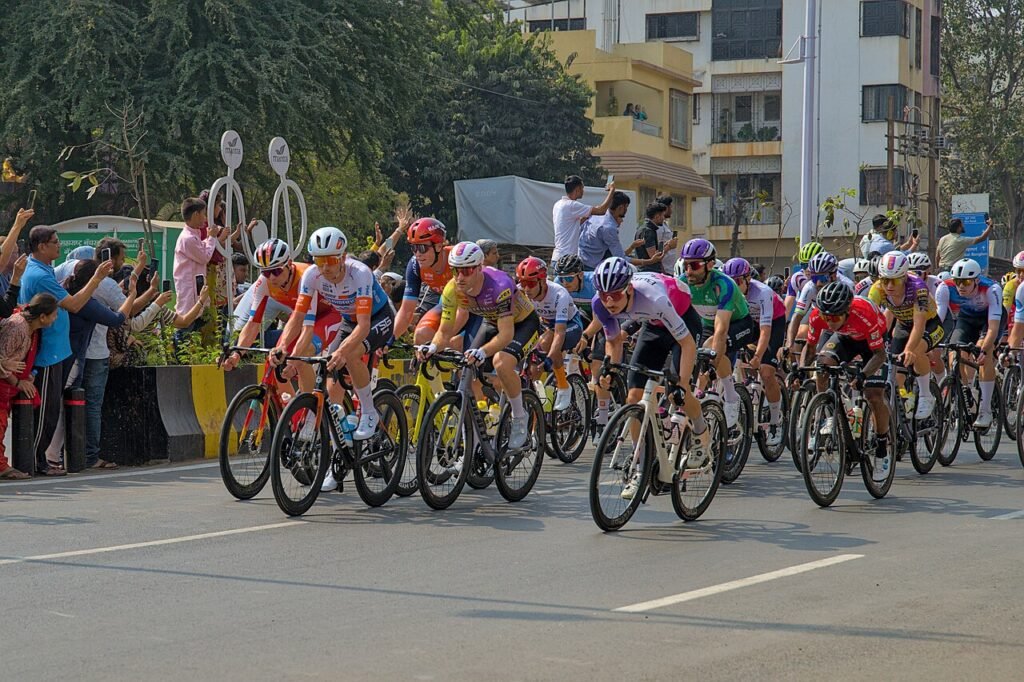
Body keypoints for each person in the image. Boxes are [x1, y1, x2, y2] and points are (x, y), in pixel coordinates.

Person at [588, 257, 708, 499]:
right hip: (653, 327)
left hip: (683, 321)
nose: (609, 302)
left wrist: (681, 384)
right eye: (604, 295)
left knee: (679, 396)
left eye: (616, 296)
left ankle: (700, 432)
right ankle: (641, 467)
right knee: (633, 399)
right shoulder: (600, 304)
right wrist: (609, 367)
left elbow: (686, 344)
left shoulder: (655, 299)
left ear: (629, 289)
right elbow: (613, 341)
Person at [271, 227, 393, 458]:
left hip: (378, 317)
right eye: (319, 260)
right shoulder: (312, 275)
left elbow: (364, 325)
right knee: (329, 372)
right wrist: (283, 347)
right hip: (348, 320)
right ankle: (338, 451)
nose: (325, 267)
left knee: (351, 354)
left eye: (330, 260)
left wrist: (343, 351)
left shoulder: (360, 273)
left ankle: (368, 411)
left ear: (343, 257)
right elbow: (298, 317)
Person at [418, 242, 539, 450]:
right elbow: (445, 331)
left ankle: (520, 416)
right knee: (467, 367)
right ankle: (473, 444)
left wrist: (483, 351)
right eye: (456, 270)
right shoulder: (452, 289)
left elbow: (506, 334)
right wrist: (432, 347)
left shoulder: (499, 285)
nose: (460, 277)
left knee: (502, 362)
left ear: (478, 267)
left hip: (522, 324)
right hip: (490, 321)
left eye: (466, 270)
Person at [19, 226, 113, 476]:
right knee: (46, 410)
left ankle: (41, 458)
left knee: (52, 409)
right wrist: (97, 278)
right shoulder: (39, 274)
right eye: (55, 242)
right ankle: (37, 460)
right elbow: (73, 304)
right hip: (47, 351)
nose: (59, 246)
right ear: (41, 246)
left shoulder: (44, 269)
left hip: (58, 349)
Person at [223, 238, 340, 395]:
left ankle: (310, 414)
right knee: (275, 361)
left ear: (289, 264)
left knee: (300, 358)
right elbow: (253, 324)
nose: (271, 277)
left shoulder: (305, 278)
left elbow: (307, 326)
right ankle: (291, 413)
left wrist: (293, 356)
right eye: (265, 272)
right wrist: (237, 354)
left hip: (329, 315)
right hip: (301, 318)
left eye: (276, 271)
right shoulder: (264, 283)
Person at [803, 281, 892, 482]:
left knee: (873, 395)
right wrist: (801, 371)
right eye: (827, 317)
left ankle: (881, 448)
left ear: (847, 310)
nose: (830, 321)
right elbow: (810, 349)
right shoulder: (819, 316)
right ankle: (827, 412)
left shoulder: (864, 314)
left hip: (872, 345)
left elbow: (879, 355)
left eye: (835, 317)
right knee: (823, 366)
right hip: (845, 338)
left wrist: (862, 376)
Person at [676, 239, 753, 428]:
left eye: (694, 265)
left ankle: (731, 396)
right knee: (697, 359)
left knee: (712, 349)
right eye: (686, 265)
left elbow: (721, 330)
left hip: (738, 323)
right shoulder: (683, 282)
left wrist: (713, 361)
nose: (688, 271)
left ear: (710, 264)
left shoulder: (723, 284)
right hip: (708, 324)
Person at [868, 252, 942, 420]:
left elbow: (919, 324)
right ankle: (904, 401)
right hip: (902, 323)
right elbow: (871, 319)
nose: (889, 286)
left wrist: (909, 349)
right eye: (885, 280)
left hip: (929, 324)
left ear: (904, 277)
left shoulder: (918, 287)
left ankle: (925, 395)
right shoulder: (877, 289)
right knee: (894, 373)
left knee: (916, 351)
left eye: (894, 280)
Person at [722, 258, 786, 445]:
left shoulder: (763, 293)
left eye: (738, 281)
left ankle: (775, 421)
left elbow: (765, 331)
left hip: (774, 321)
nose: (734, 285)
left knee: (766, 372)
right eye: (730, 281)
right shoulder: (729, 292)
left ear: (748, 278)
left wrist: (758, 356)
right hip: (750, 322)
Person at [0, 294, 60, 479]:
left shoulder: (31, 329)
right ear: (42, 317)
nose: (56, 318)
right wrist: (17, 382)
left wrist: (28, 377)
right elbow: (3, 362)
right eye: (54, 315)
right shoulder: (17, 328)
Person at [941, 258, 1003, 428]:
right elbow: (938, 320)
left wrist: (983, 349)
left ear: (976, 280)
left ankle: (985, 409)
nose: (961, 286)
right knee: (954, 354)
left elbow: (993, 328)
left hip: (988, 320)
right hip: (966, 319)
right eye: (958, 282)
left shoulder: (992, 289)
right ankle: (967, 391)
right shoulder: (945, 287)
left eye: (966, 282)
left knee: (985, 354)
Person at [515, 257, 583, 411]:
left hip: (571, 325)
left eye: (531, 283)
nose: (527, 289)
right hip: (545, 324)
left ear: (543, 281)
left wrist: (550, 359)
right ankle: (534, 408)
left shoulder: (560, 294)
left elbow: (559, 333)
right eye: (523, 283)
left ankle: (564, 386)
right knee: (532, 370)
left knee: (547, 342)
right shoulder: (519, 291)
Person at [173, 197, 227, 339]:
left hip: (195, 287)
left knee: (200, 318)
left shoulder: (193, 236)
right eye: (203, 214)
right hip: (189, 288)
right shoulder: (188, 238)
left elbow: (202, 249)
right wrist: (212, 238)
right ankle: (179, 355)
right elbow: (205, 256)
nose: (205, 218)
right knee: (186, 324)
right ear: (196, 215)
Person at [785, 251, 854, 352]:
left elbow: (853, 316)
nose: (818, 283)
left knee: (828, 350)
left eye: (822, 277)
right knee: (804, 341)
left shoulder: (847, 286)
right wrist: (789, 344)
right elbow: (797, 316)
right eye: (814, 277)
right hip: (819, 314)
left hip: (843, 320)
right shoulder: (809, 287)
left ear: (834, 275)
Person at [551, 175, 615, 262]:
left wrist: (589, 214)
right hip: (567, 260)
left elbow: (571, 225)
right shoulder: (572, 205)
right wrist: (612, 190)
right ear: (577, 189)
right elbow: (602, 211)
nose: (583, 191)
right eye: (582, 188)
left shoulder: (558, 204)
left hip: (557, 257)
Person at [577, 192, 648, 269]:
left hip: (581, 257)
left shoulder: (597, 214)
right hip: (591, 265)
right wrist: (648, 261)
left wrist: (632, 247)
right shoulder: (609, 228)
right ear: (620, 208)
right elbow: (620, 257)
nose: (626, 210)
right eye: (626, 207)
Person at [633, 202, 668, 274]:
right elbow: (655, 257)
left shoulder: (642, 228)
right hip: (649, 272)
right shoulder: (649, 231)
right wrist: (669, 246)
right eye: (662, 215)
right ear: (657, 216)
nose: (663, 219)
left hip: (643, 271)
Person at [655, 196, 680, 274]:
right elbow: (657, 251)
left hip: (670, 269)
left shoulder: (664, 224)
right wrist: (662, 270)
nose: (671, 211)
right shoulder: (658, 227)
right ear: (666, 208)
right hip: (664, 270)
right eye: (670, 207)